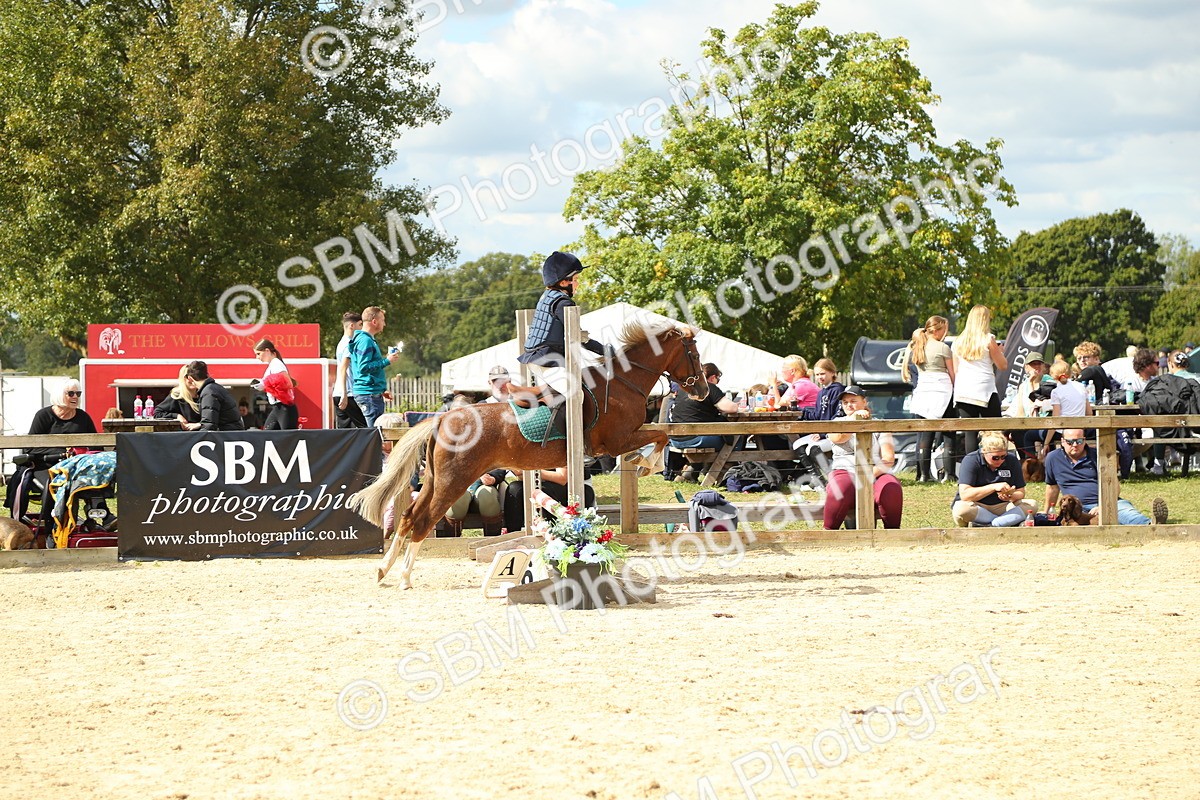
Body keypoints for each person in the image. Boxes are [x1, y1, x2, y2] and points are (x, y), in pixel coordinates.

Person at [513, 252, 613, 429]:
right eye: (575, 278)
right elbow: (579, 337)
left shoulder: (548, 297)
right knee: (576, 394)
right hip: (546, 359)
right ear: (563, 282)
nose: (577, 283)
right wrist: (604, 350)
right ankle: (569, 443)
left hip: (542, 356)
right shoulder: (563, 303)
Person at [1043, 429, 1166, 525]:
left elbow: (1114, 484)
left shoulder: (1098, 455)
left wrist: (1103, 505)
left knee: (1124, 512)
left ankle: (1151, 523)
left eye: (1079, 441)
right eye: (1070, 442)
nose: (1075, 445)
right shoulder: (1053, 458)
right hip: (1076, 507)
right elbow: (1052, 488)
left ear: (1084, 440)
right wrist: (1046, 511)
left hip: (1105, 501)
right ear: (1062, 441)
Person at [822, 385, 902, 530]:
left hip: (876, 471)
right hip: (845, 470)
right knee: (841, 487)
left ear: (864, 402)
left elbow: (888, 458)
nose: (849, 405)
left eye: (853, 401)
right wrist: (854, 419)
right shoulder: (836, 423)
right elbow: (838, 437)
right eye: (845, 402)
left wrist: (869, 474)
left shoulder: (880, 424)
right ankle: (828, 532)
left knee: (891, 488)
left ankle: (892, 533)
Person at [901, 315, 957, 483]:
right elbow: (952, 373)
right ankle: (949, 474)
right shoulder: (942, 348)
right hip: (941, 390)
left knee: (926, 433)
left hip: (924, 390)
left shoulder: (918, 346)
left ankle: (924, 474)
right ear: (939, 329)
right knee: (949, 433)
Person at [952, 304, 1008, 466]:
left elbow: (956, 370)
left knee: (970, 432)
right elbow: (1002, 365)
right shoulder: (988, 339)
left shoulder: (958, 342)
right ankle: (997, 462)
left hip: (963, 390)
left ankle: (971, 466)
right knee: (995, 429)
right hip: (984, 388)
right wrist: (1001, 351)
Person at [667, 363, 739, 482]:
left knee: (718, 436)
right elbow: (732, 408)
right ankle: (725, 471)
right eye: (718, 379)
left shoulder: (683, 389)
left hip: (675, 439)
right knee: (735, 436)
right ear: (712, 377)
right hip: (695, 439)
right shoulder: (708, 387)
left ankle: (691, 471)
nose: (717, 382)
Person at [951, 431, 1036, 527]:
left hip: (1003, 507)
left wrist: (1011, 496)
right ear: (984, 451)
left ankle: (992, 524)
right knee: (961, 509)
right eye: (995, 458)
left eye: (1003, 456)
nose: (1000, 460)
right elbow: (965, 495)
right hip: (977, 506)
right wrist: (993, 487)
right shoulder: (971, 460)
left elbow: (1021, 492)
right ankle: (1004, 522)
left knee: (1032, 505)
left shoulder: (1012, 460)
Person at [503, 464, 597, 533]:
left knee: (544, 490)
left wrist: (530, 471)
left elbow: (562, 478)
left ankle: (555, 534)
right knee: (514, 488)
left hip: (574, 487)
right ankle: (513, 533)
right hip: (541, 483)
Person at [349, 306, 400, 428]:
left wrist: (381, 390)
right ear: (374, 321)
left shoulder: (365, 340)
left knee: (372, 435)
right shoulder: (365, 341)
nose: (385, 324)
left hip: (371, 393)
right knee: (375, 436)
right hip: (369, 395)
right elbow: (363, 367)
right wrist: (387, 361)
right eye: (382, 320)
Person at [1003, 352, 1051, 459]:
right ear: (1026, 367)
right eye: (1033, 364)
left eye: (1039, 363)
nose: (1036, 367)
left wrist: (1030, 383)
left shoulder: (1048, 382)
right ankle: (1026, 462)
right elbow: (1020, 412)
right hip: (1028, 423)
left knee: (1027, 434)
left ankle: (1033, 462)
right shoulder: (1023, 386)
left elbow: (1035, 405)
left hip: (1045, 422)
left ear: (1043, 366)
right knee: (1016, 432)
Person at [184, 361, 244, 431]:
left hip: (227, 436)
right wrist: (200, 424)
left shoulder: (208, 392)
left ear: (190, 379)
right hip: (233, 434)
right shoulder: (215, 388)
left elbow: (209, 425)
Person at [252, 338, 298, 430]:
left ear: (267, 351)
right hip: (278, 408)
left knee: (285, 439)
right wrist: (263, 385)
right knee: (269, 437)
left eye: (258, 354)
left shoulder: (276, 364)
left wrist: (265, 383)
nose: (257, 357)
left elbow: (288, 383)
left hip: (284, 407)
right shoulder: (273, 365)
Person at [334, 311, 367, 428]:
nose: (362, 329)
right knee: (365, 429)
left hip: (338, 392)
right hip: (348, 394)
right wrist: (344, 394)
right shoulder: (349, 343)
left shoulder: (341, 343)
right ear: (352, 326)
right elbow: (343, 368)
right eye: (360, 325)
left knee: (346, 434)